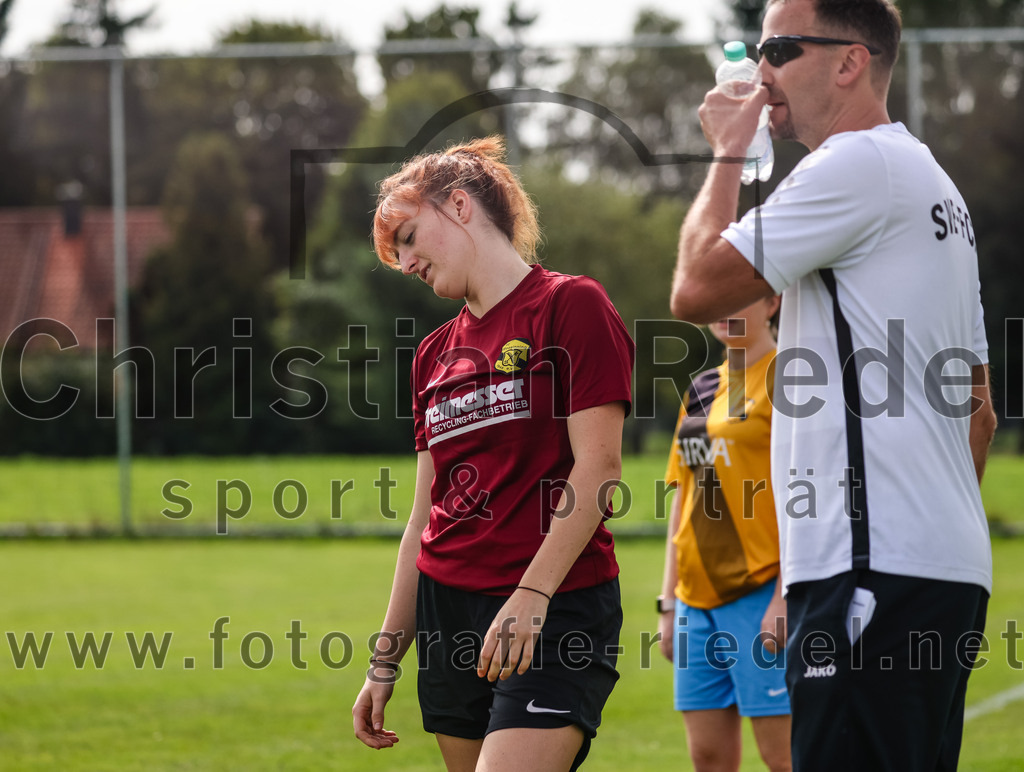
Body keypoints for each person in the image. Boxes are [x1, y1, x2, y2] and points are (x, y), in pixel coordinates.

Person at [669, 1, 997, 770]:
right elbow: (978, 412)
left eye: (779, 49)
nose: (760, 71)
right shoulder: (934, 185)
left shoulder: (855, 164)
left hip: (867, 573)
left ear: (849, 62)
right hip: (935, 567)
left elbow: (693, 288)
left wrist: (726, 154)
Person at [351, 136, 635, 772]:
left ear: (458, 206)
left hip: (554, 601)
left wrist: (532, 596)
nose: (405, 263)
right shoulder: (432, 355)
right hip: (448, 607)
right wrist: (386, 657)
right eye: (395, 255)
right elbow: (424, 518)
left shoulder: (570, 305)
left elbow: (599, 470)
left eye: (410, 238)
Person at [658, 295, 791, 772]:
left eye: (737, 294)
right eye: (715, 294)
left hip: (762, 593)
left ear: (774, 301)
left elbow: (812, 500)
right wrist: (669, 601)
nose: (721, 305)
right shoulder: (702, 386)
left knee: (784, 757)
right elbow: (684, 497)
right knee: (708, 758)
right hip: (695, 598)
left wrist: (786, 596)